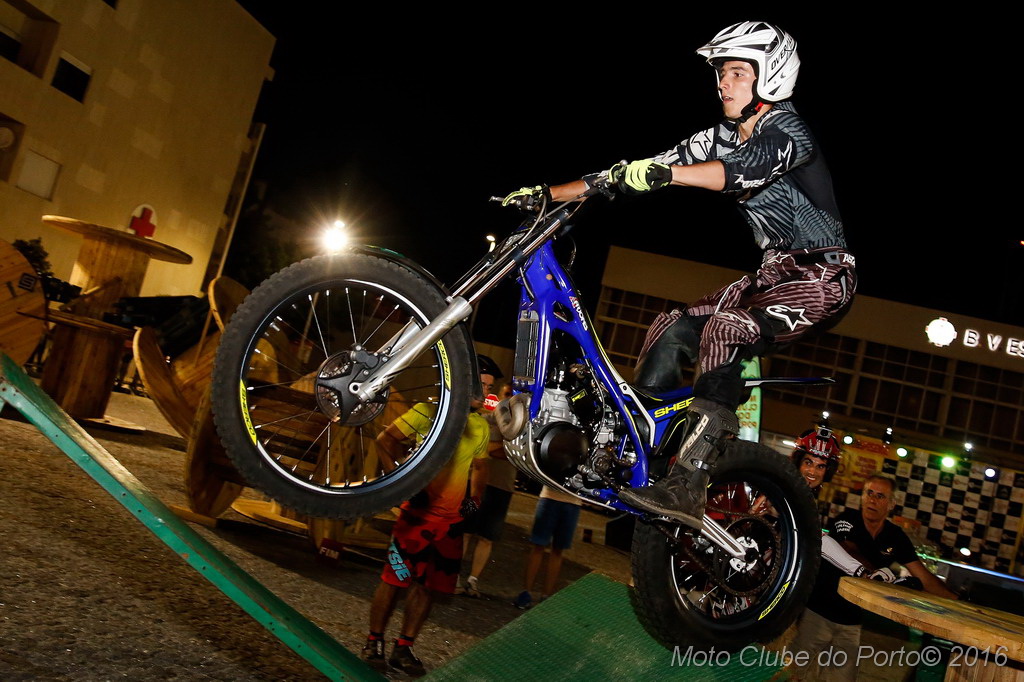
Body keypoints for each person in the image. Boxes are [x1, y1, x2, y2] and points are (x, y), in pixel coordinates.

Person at [503, 21, 855, 527]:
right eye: (721, 73)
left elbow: (740, 172)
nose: (723, 83)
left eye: (737, 73)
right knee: (671, 327)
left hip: (822, 276)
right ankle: (641, 453)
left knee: (727, 329)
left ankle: (690, 481)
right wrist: (547, 194)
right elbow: (635, 170)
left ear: (772, 75)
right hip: (770, 274)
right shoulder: (720, 137)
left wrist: (667, 175)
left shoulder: (789, 132)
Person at [359, 358, 497, 676]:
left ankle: (404, 648)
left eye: (490, 387)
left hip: (450, 525)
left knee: (428, 587)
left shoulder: (479, 426)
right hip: (417, 519)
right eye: (482, 385)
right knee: (393, 581)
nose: (486, 393)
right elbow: (385, 441)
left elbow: (480, 468)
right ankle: (373, 641)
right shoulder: (428, 411)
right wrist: (403, 485)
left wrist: (475, 500)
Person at [788, 474, 957, 681]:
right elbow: (847, 549)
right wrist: (882, 574)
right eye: (869, 493)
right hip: (818, 612)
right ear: (862, 497)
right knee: (794, 674)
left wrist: (957, 601)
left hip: (852, 621)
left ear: (891, 504)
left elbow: (922, 575)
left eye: (880, 496)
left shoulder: (896, 536)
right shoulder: (846, 519)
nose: (872, 500)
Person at [457, 383, 517, 598]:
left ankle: (473, 580)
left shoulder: (520, 427)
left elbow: (509, 453)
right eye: (507, 394)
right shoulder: (485, 420)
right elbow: (497, 452)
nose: (511, 400)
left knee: (487, 536)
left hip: (502, 486)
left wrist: (495, 449)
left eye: (514, 395)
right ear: (500, 396)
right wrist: (504, 449)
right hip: (475, 483)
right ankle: (453, 575)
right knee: (465, 531)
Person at [513, 484, 582, 609]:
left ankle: (545, 595)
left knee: (557, 549)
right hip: (550, 497)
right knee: (539, 546)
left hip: (572, 501)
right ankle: (526, 592)